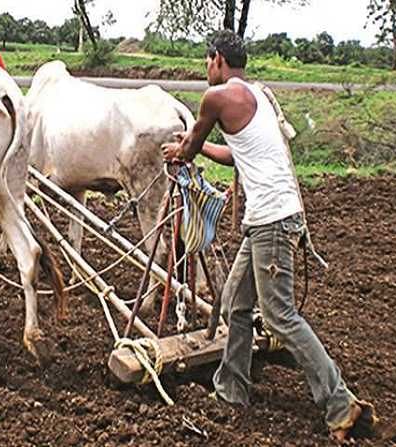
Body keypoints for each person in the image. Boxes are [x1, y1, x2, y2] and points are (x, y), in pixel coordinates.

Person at [161, 30, 376, 443]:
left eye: (208, 61)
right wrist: (200, 149)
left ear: (218, 60)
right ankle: (232, 390)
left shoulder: (216, 98)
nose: (206, 68)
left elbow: (187, 149)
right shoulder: (257, 94)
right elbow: (236, 153)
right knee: (235, 304)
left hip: (273, 221)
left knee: (280, 316)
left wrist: (181, 150)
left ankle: (340, 402)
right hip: (270, 218)